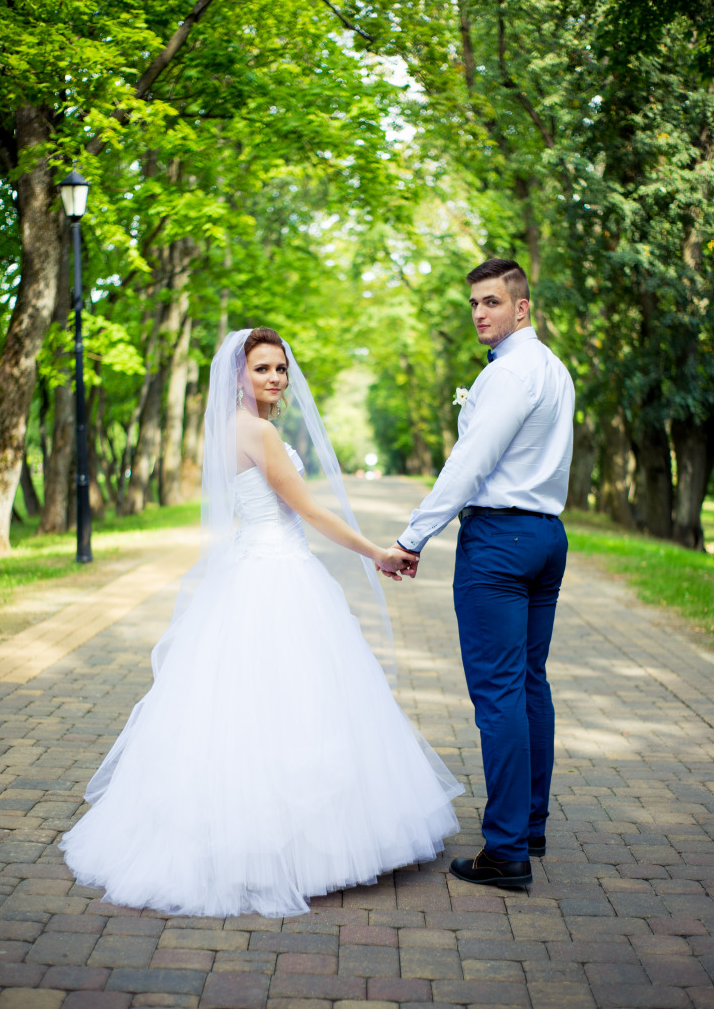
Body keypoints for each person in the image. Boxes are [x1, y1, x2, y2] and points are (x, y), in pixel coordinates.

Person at [60, 327, 463, 918]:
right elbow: (310, 511)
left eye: (280, 368)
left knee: (237, 708)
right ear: (239, 377)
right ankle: (292, 850)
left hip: (249, 570)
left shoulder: (230, 429)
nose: (275, 378)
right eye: (262, 369)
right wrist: (376, 552)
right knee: (294, 703)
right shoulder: (260, 431)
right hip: (277, 574)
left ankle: (233, 835)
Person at [387, 259, 575, 888]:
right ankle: (531, 824)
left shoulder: (510, 374)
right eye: (473, 303)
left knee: (499, 694)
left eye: (491, 302)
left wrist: (414, 535)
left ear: (522, 307)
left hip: (500, 540)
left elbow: (470, 463)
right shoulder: (553, 368)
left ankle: (506, 852)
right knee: (528, 685)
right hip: (548, 535)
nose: (479, 313)